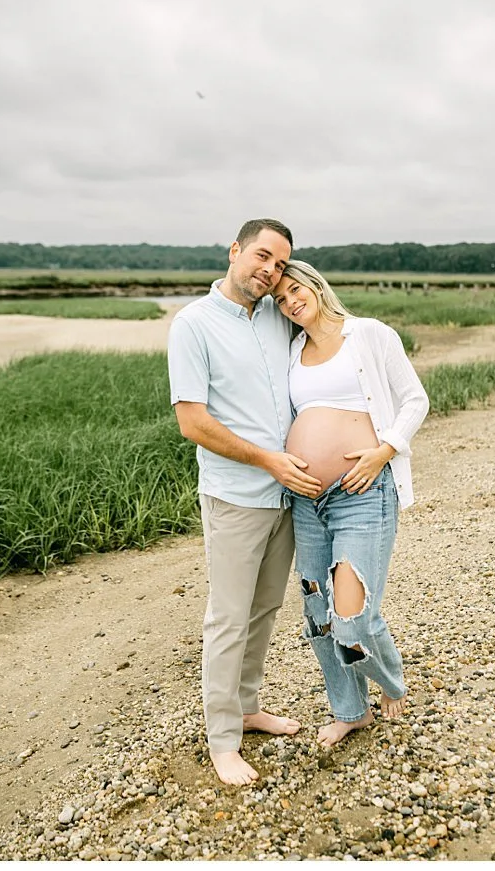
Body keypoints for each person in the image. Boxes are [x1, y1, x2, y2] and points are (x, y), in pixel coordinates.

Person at [168, 218, 319, 786]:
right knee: (228, 619)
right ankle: (222, 740)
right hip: (236, 497)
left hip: (286, 495)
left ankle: (248, 708)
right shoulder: (194, 325)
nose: (269, 270)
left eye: (279, 264)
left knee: (264, 611)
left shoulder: (277, 320)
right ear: (234, 251)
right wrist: (268, 460)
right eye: (261, 256)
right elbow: (193, 422)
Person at [274, 260, 429, 748]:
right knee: (318, 615)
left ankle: (392, 676)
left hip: (362, 491)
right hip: (307, 501)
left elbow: (414, 401)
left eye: (296, 289)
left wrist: (384, 449)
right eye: (280, 299)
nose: (291, 302)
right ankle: (350, 710)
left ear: (316, 286)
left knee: (352, 615)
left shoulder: (369, 335)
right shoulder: (292, 351)